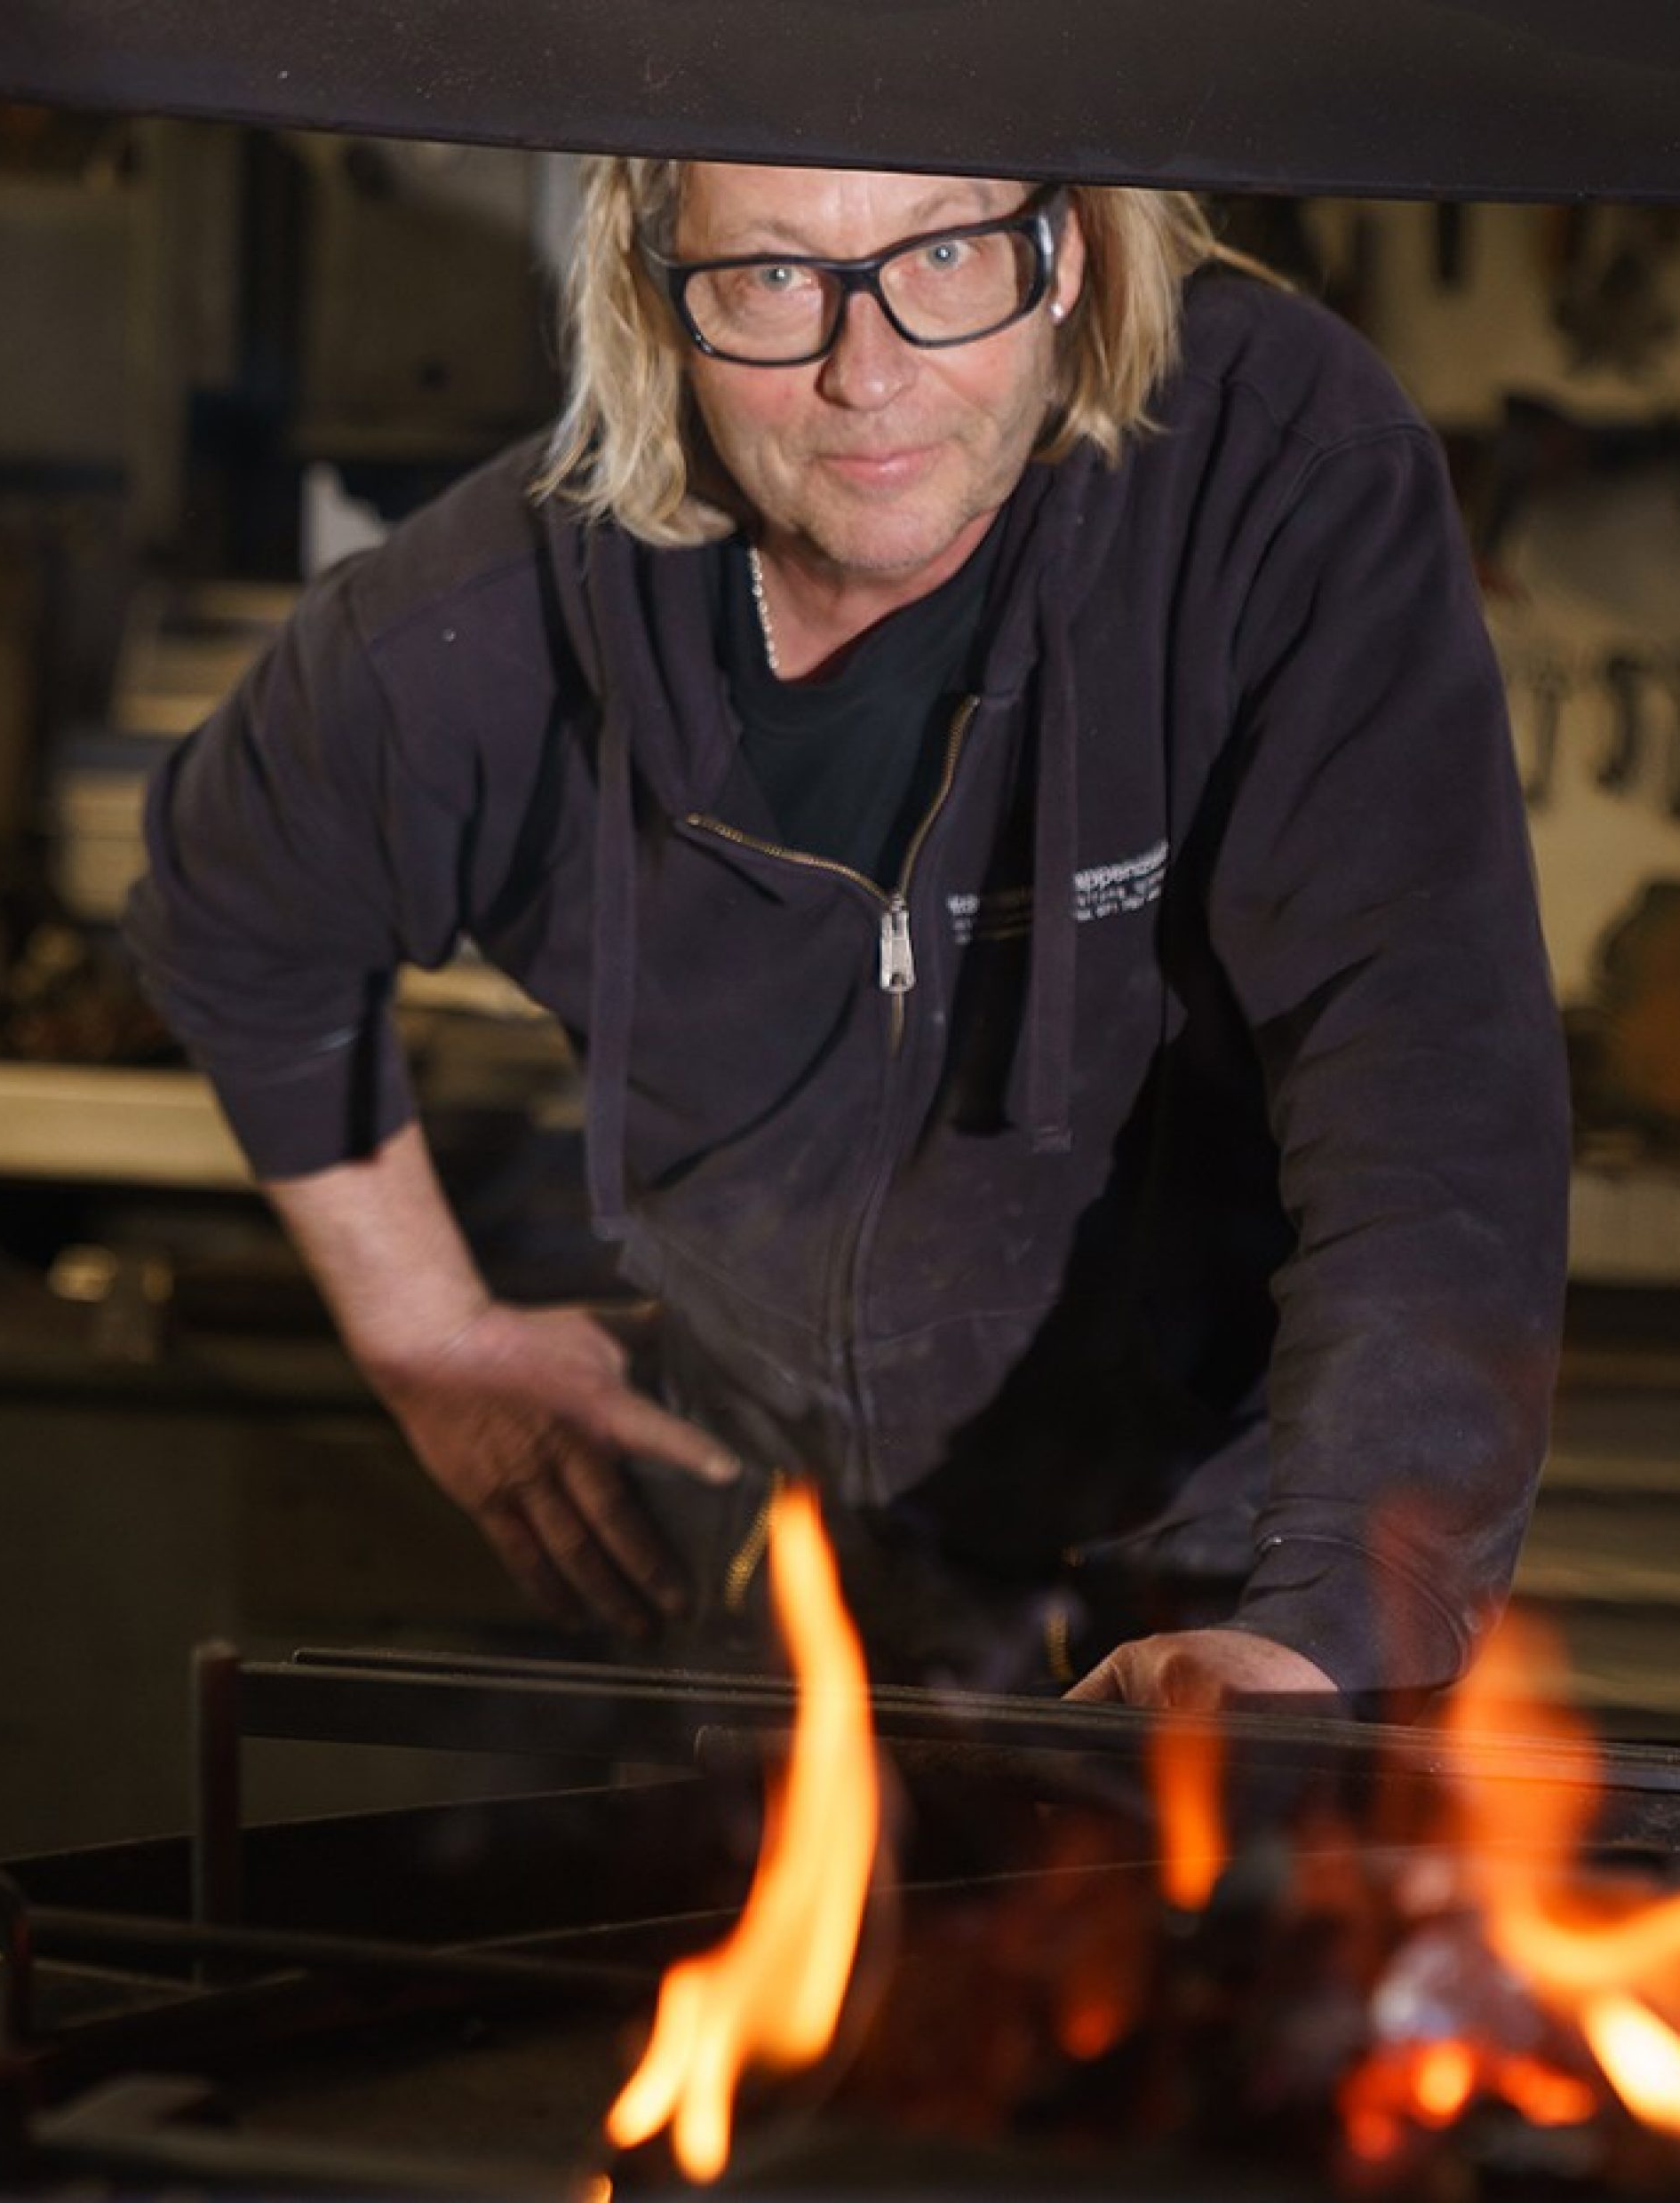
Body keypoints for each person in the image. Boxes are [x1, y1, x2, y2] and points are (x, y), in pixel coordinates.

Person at [125, 159, 1571, 1715]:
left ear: (1068, 248)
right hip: (772, 1600)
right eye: (770, 278)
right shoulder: (514, 616)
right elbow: (231, 899)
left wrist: (1332, 1626)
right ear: (650, 289)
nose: (864, 375)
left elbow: (1425, 1079)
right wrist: (428, 1334)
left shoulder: (1270, 475)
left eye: (944, 254)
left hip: (1217, 1588)